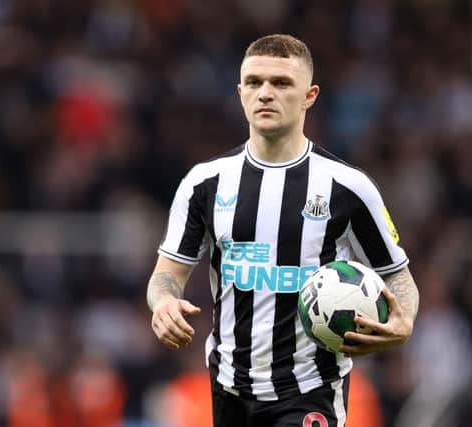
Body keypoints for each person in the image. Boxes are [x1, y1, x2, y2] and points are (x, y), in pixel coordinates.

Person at [147, 34, 419, 427]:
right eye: (255, 83)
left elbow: (398, 276)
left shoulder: (348, 187)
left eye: (281, 83)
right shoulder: (203, 183)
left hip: (311, 389)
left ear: (310, 95)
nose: (265, 93)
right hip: (229, 389)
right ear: (240, 92)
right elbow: (165, 277)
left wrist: (403, 321)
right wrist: (164, 304)